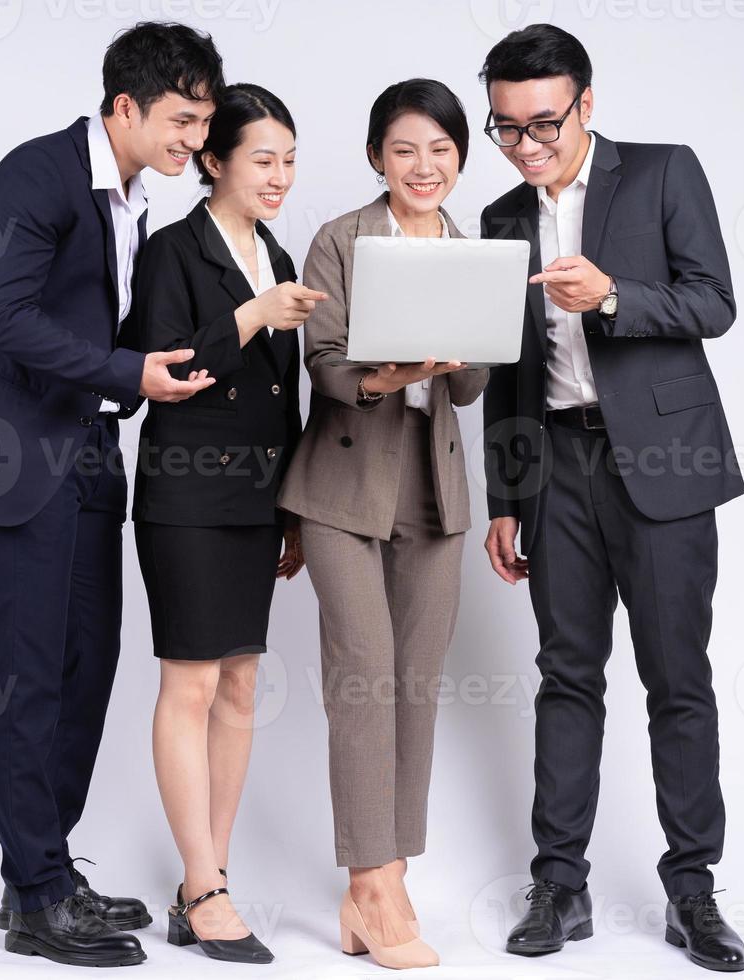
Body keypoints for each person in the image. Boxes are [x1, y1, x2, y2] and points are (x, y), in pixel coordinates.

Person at [0, 21, 224, 968]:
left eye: (205, 122)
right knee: (23, 674)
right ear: (125, 107)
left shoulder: (134, 194)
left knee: (87, 666)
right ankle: (33, 896)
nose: (194, 141)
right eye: (183, 121)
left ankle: (47, 872)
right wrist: (126, 370)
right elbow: (5, 316)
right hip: (18, 455)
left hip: (95, 448)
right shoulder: (38, 174)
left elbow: (120, 321)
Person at [476, 25, 744, 972]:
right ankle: (559, 886)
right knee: (567, 675)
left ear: (586, 106)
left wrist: (613, 298)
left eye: (543, 123)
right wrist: (504, 493)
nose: (526, 144)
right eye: (506, 128)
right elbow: (509, 371)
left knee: (678, 679)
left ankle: (693, 890)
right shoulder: (502, 219)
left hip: (666, 462)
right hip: (554, 467)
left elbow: (713, 300)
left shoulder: (666, 173)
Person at [277, 78, 488, 972]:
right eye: (405, 149)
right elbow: (322, 366)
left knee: (415, 684)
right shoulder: (340, 239)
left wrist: (459, 353)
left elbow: (473, 387)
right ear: (376, 158)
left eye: (440, 149)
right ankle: (371, 881)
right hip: (339, 488)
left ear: (458, 159)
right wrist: (393, 367)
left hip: (432, 493)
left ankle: (388, 873)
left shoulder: (473, 249)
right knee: (362, 675)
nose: (424, 165)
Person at [126, 82, 324, 965]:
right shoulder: (173, 249)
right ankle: (203, 888)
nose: (280, 176)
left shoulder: (276, 250)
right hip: (185, 497)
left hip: (254, 500)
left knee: (241, 686)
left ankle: (207, 879)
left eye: (288, 159)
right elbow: (160, 365)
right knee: (192, 686)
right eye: (261, 160)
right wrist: (250, 315)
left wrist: (290, 507)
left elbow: (285, 400)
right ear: (214, 162)